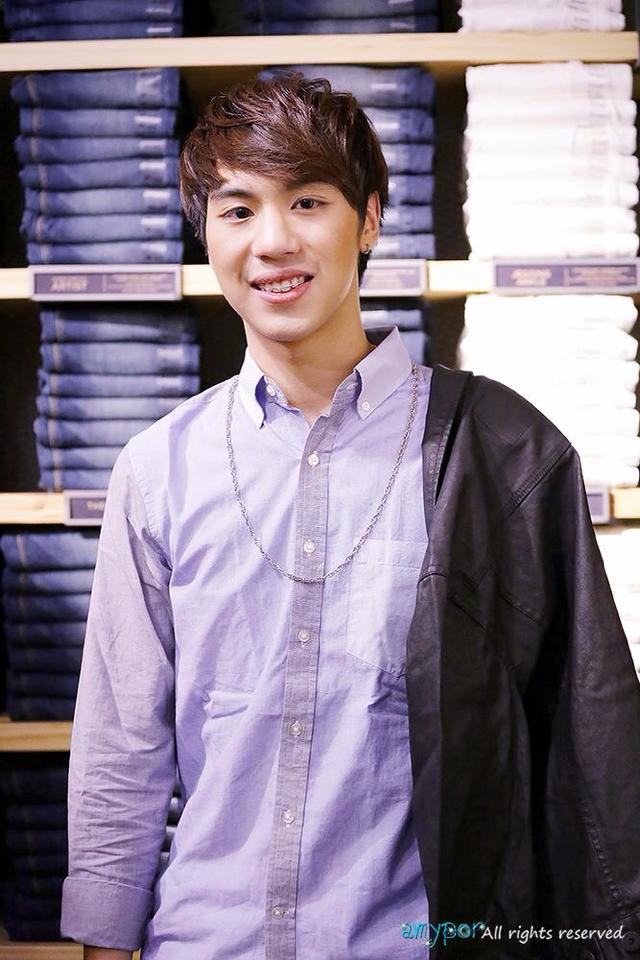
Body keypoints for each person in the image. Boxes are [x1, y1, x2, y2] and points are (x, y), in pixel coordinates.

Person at [60, 75, 640, 960]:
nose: (273, 241)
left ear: (367, 220)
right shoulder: (157, 469)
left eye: (308, 202)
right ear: (207, 235)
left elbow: (587, 744)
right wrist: (105, 943)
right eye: (238, 210)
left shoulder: (500, 451)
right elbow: (121, 747)